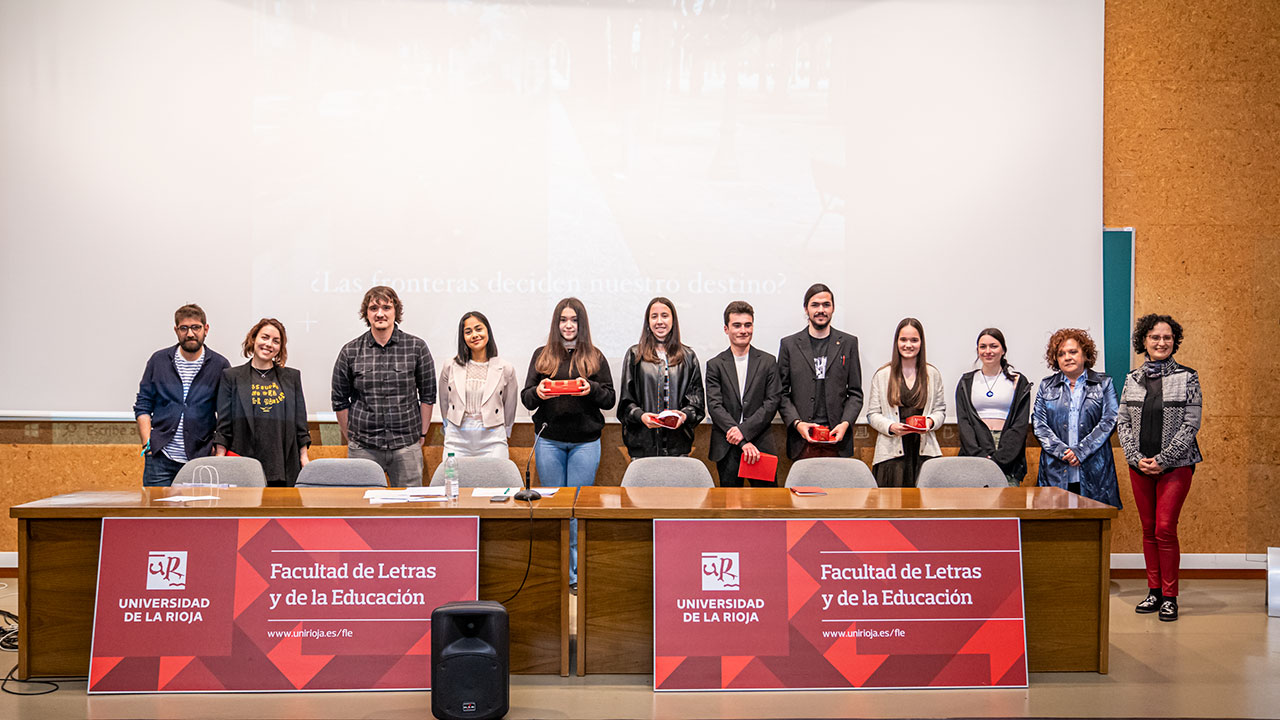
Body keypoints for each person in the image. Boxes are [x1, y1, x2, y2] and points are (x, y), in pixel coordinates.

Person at [521, 298, 616, 591]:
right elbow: (526, 398)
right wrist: (538, 391)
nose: (568, 325)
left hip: (585, 444)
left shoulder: (595, 357)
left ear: (581, 324)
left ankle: (574, 576)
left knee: (575, 510)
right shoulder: (542, 355)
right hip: (549, 442)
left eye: (574, 320)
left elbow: (610, 399)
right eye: (563, 320)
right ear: (556, 324)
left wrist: (592, 389)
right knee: (552, 509)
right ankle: (554, 572)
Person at [1117, 314, 1201, 622]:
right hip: (1138, 465)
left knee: (1165, 529)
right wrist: (1135, 456)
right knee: (1149, 530)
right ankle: (1153, 592)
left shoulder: (1188, 377)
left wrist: (1163, 459)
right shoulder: (1131, 379)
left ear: (1174, 341)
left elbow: (1191, 424)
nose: (1161, 342)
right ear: (1144, 342)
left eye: (1167, 337)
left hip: (1176, 465)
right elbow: (1122, 421)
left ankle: (1170, 596)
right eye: (1155, 337)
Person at [331, 286, 436, 487]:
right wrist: (352, 438)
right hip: (363, 447)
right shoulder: (350, 351)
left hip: (406, 446)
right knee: (362, 511)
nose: (380, 314)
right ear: (366, 314)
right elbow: (339, 400)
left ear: (396, 311)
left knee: (409, 509)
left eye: (386, 307)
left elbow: (428, 395)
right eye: (373, 308)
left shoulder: (416, 347)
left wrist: (421, 434)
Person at [133, 304, 231, 486]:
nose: (190, 334)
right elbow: (143, 404)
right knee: (156, 512)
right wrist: (147, 442)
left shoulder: (220, 365)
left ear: (206, 329)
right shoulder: (158, 361)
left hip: (200, 458)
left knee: (198, 514)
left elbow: (226, 415)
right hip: (160, 458)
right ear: (176, 330)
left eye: (196, 327)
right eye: (184, 328)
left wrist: (218, 453)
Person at [212, 319, 311, 486]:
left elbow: (300, 424)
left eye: (276, 341)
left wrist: (304, 458)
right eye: (264, 337)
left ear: (280, 347)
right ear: (253, 339)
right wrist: (220, 461)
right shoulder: (232, 377)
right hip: (243, 464)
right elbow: (224, 425)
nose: (269, 344)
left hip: (284, 465)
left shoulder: (291, 378)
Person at [1032, 328, 1120, 507]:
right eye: (1061, 354)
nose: (1067, 357)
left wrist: (1081, 451)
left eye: (1073, 352)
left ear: (1085, 354)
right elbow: (1039, 424)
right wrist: (1063, 452)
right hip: (1056, 469)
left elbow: (1109, 419)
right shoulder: (1046, 386)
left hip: (1094, 470)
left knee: (1091, 528)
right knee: (1056, 528)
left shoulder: (1104, 383)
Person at [777, 283, 863, 459]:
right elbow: (781, 393)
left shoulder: (849, 343)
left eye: (826, 305)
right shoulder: (789, 345)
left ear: (833, 308)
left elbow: (855, 393)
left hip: (838, 439)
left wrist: (845, 423)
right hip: (802, 440)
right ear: (806, 309)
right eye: (815, 305)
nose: (821, 310)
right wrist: (797, 423)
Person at [705, 301, 782, 487]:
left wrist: (743, 432)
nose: (743, 330)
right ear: (726, 328)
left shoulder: (768, 362)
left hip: (760, 445)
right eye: (737, 325)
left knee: (768, 505)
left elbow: (772, 402)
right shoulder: (715, 365)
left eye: (748, 325)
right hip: (727, 447)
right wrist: (739, 439)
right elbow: (715, 406)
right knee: (730, 507)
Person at [617, 297, 705, 458]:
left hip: (678, 446)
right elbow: (625, 403)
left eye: (665, 315)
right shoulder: (635, 355)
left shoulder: (688, 357)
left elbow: (696, 404)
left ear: (673, 320)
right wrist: (641, 416)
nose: (659, 321)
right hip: (642, 446)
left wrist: (683, 415)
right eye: (654, 316)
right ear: (648, 322)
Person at [865, 318, 947, 487]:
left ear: (921, 343)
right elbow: (872, 414)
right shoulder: (882, 375)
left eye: (914, 340)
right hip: (891, 456)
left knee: (925, 509)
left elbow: (940, 411)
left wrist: (930, 422)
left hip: (925, 454)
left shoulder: (932, 374)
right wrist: (891, 427)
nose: (908, 345)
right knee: (891, 510)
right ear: (896, 342)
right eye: (903, 340)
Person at [955, 328, 1033, 486]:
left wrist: (1000, 460)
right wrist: (980, 457)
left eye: (993, 346)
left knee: (1008, 507)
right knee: (974, 507)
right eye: (983, 347)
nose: (988, 351)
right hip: (974, 452)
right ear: (977, 350)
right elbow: (964, 423)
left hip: (1008, 456)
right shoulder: (966, 382)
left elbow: (1019, 425)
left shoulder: (1019, 382)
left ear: (1003, 350)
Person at [438, 311, 519, 459]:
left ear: (487, 331)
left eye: (478, 329)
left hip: (493, 437)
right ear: (463, 337)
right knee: (452, 479)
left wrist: (505, 431)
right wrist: (448, 427)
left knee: (496, 480)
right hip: (456, 437)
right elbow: (444, 402)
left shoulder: (506, 368)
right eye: (468, 332)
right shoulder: (450, 366)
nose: (474, 335)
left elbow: (510, 406)